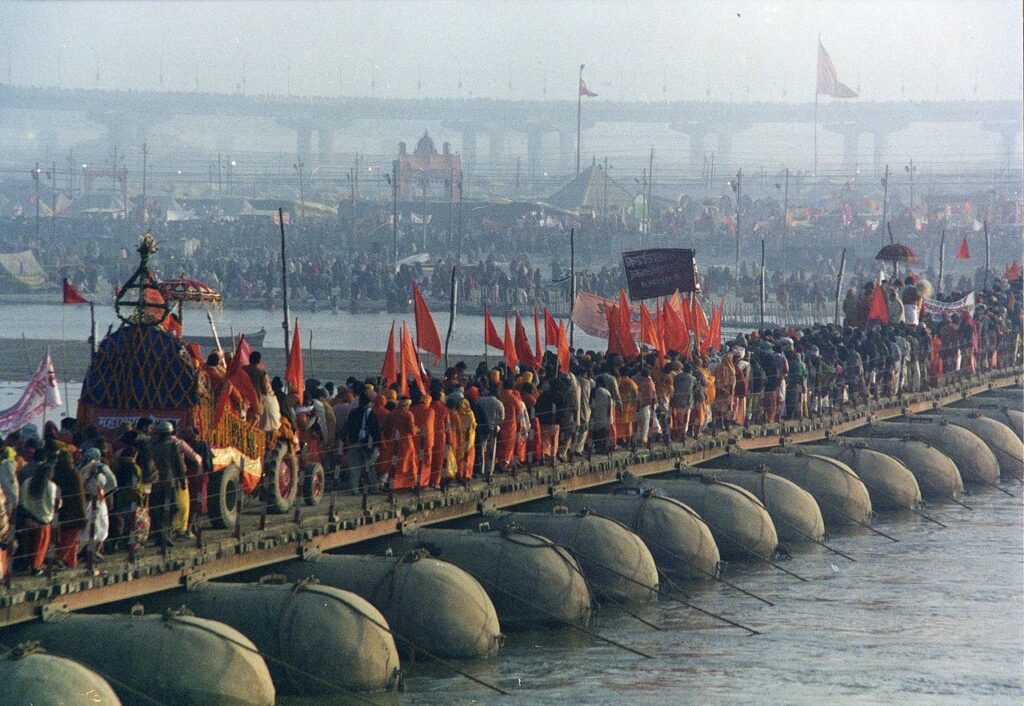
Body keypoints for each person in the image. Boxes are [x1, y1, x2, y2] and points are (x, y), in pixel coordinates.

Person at [15, 460, 57, 575]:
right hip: (43, 519)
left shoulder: (27, 482)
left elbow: (22, 501)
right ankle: (36, 567)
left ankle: (27, 565)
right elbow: (53, 504)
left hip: (28, 518)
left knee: (29, 544)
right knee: (41, 545)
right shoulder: (51, 486)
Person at [149, 420, 187, 546]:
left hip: (155, 482)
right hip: (169, 482)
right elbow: (179, 465)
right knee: (172, 508)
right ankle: (164, 534)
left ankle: (160, 535)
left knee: (157, 509)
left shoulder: (152, 445)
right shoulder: (173, 446)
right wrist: (182, 481)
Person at [51, 440, 86, 568]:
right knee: (71, 538)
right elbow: (79, 495)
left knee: (65, 537)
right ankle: (65, 560)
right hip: (75, 511)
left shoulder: (56, 472)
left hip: (62, 509)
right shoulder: (74, 472)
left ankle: (67, 561)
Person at [78, 447, 117, 559]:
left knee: (88, 526)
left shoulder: (79, 465)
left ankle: (85, 552)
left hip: (86, 500)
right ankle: (92, 552)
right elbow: (113, 482)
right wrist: (103, 493)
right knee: (101, 525)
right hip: (98, 500)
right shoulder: (101, 467)